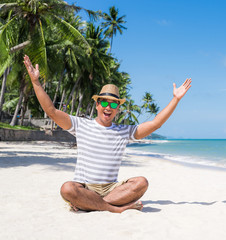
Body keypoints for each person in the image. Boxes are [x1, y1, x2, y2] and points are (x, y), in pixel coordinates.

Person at [23, 55, 192, 213]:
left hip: (111, 189)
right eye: (104, 102)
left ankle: (91, 205)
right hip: (85, 187)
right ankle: (116, 208)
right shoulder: (81, 125)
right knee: (67, 188)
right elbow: (51, 111)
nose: (108, 107)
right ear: (97, 105)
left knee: (141, 183)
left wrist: (175, 99)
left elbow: (156, 123)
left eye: (113, 104)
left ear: (118, 109)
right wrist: (35, 82)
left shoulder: (123, 131)